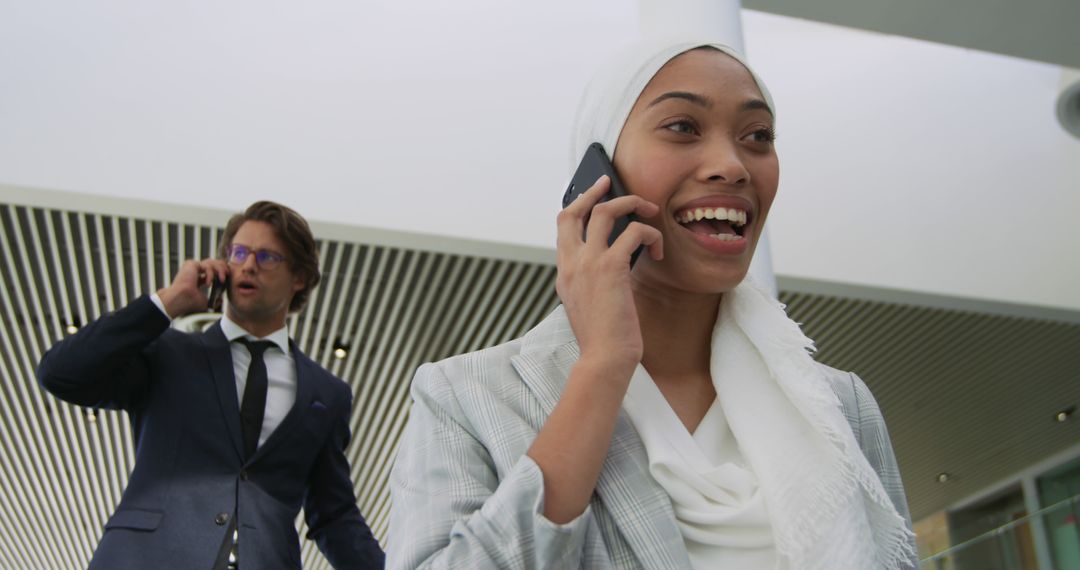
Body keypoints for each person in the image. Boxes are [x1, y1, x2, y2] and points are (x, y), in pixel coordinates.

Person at [388, 38, 919, 569]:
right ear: (598, 177)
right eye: (683, 127)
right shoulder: (467, 396)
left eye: (757, 136)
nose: (732, 166)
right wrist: (602, 367)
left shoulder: (839, 405)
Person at [38, 201, 384, 569]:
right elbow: (62, 374)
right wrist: (169, 302)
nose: (248, 265)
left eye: (267, 257)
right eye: (239, 253)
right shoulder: (167, 353)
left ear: (299, 277)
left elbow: (335, 517)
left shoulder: (327, 393)